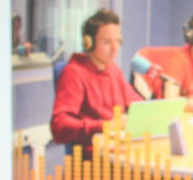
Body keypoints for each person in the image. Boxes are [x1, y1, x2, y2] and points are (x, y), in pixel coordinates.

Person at [50, 9, 142, 158]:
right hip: (94, 159)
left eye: (118, 41)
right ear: (89, 43)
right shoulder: (74, 73)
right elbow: (59, 126)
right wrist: (105, 126)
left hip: (117, 151)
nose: (115, 48)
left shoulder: (113, 70)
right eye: (107, 42)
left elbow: (138, 106)